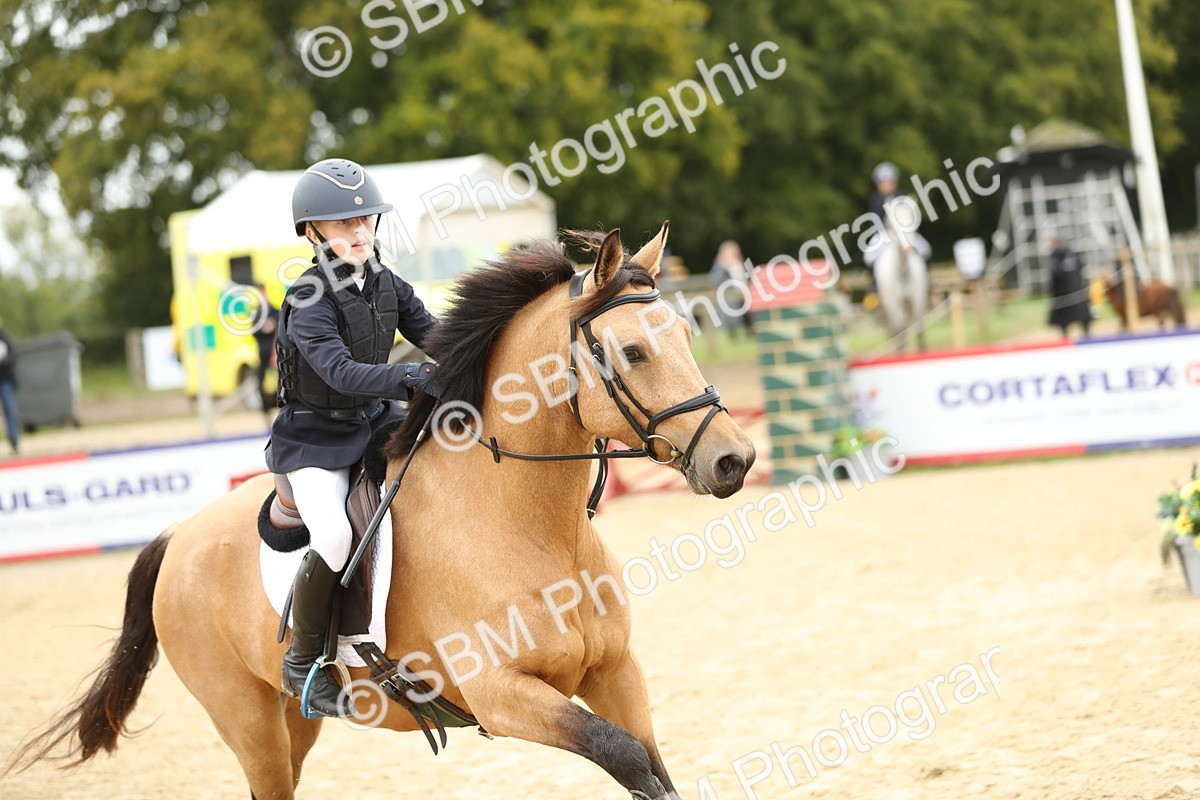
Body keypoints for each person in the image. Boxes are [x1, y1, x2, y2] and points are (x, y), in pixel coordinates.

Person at [266, 158, 440, 717]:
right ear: (313, 232)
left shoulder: (387, 282)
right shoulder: (307, 297)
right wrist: (410, 376)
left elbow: (435, 334)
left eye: (366, 219)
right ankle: (303, 664)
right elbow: (339, 372)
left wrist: (478, 360)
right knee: (336, 536)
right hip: (313, 439)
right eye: (345, 222)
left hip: (373, 421)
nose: (361, 231)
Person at [863, 162, 932, 269]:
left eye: (890, 182)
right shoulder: (875, 200)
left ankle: (926, 272)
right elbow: (873, 221)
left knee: (925, 250)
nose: (887, 185)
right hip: (884, 234)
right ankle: (873, 276)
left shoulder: (903, 195)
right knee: (869, 257)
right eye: (883, 183)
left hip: (905, 232)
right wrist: (886, 233)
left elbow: (911, 217)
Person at [1047, 235, 1091, 337]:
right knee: (1082, 314)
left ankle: (1065, 333)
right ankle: (1086, 332)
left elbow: (1055, 273)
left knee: (1063, 318)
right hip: (1077, 289)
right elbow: (1081, 267)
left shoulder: (1055, 256)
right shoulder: (1072, 253)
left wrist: (1050, 289)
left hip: (1063, 292)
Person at [709, 240, 753, 338]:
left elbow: (747, 275)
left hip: (743, 292)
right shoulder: (719, 265)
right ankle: (733, 334)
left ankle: (749, 332)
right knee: (730, 314)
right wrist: (722, 267)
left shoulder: (740, 263)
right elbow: (714, 279)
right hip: (728, 294)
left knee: (747, 314)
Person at [251, 283, 279, 417]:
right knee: (261, 382)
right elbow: (254, 331)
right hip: (263, 353)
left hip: (276, 353)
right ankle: (266, 411)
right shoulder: (256, 314)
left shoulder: (275, 311)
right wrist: (264, 328)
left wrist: (272, 326)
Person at [0, 321, 20, 455]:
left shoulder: (5, 339)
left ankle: (14, 441)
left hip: (5, 380)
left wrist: (3, 362)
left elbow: (14, 357)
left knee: (10, 410)